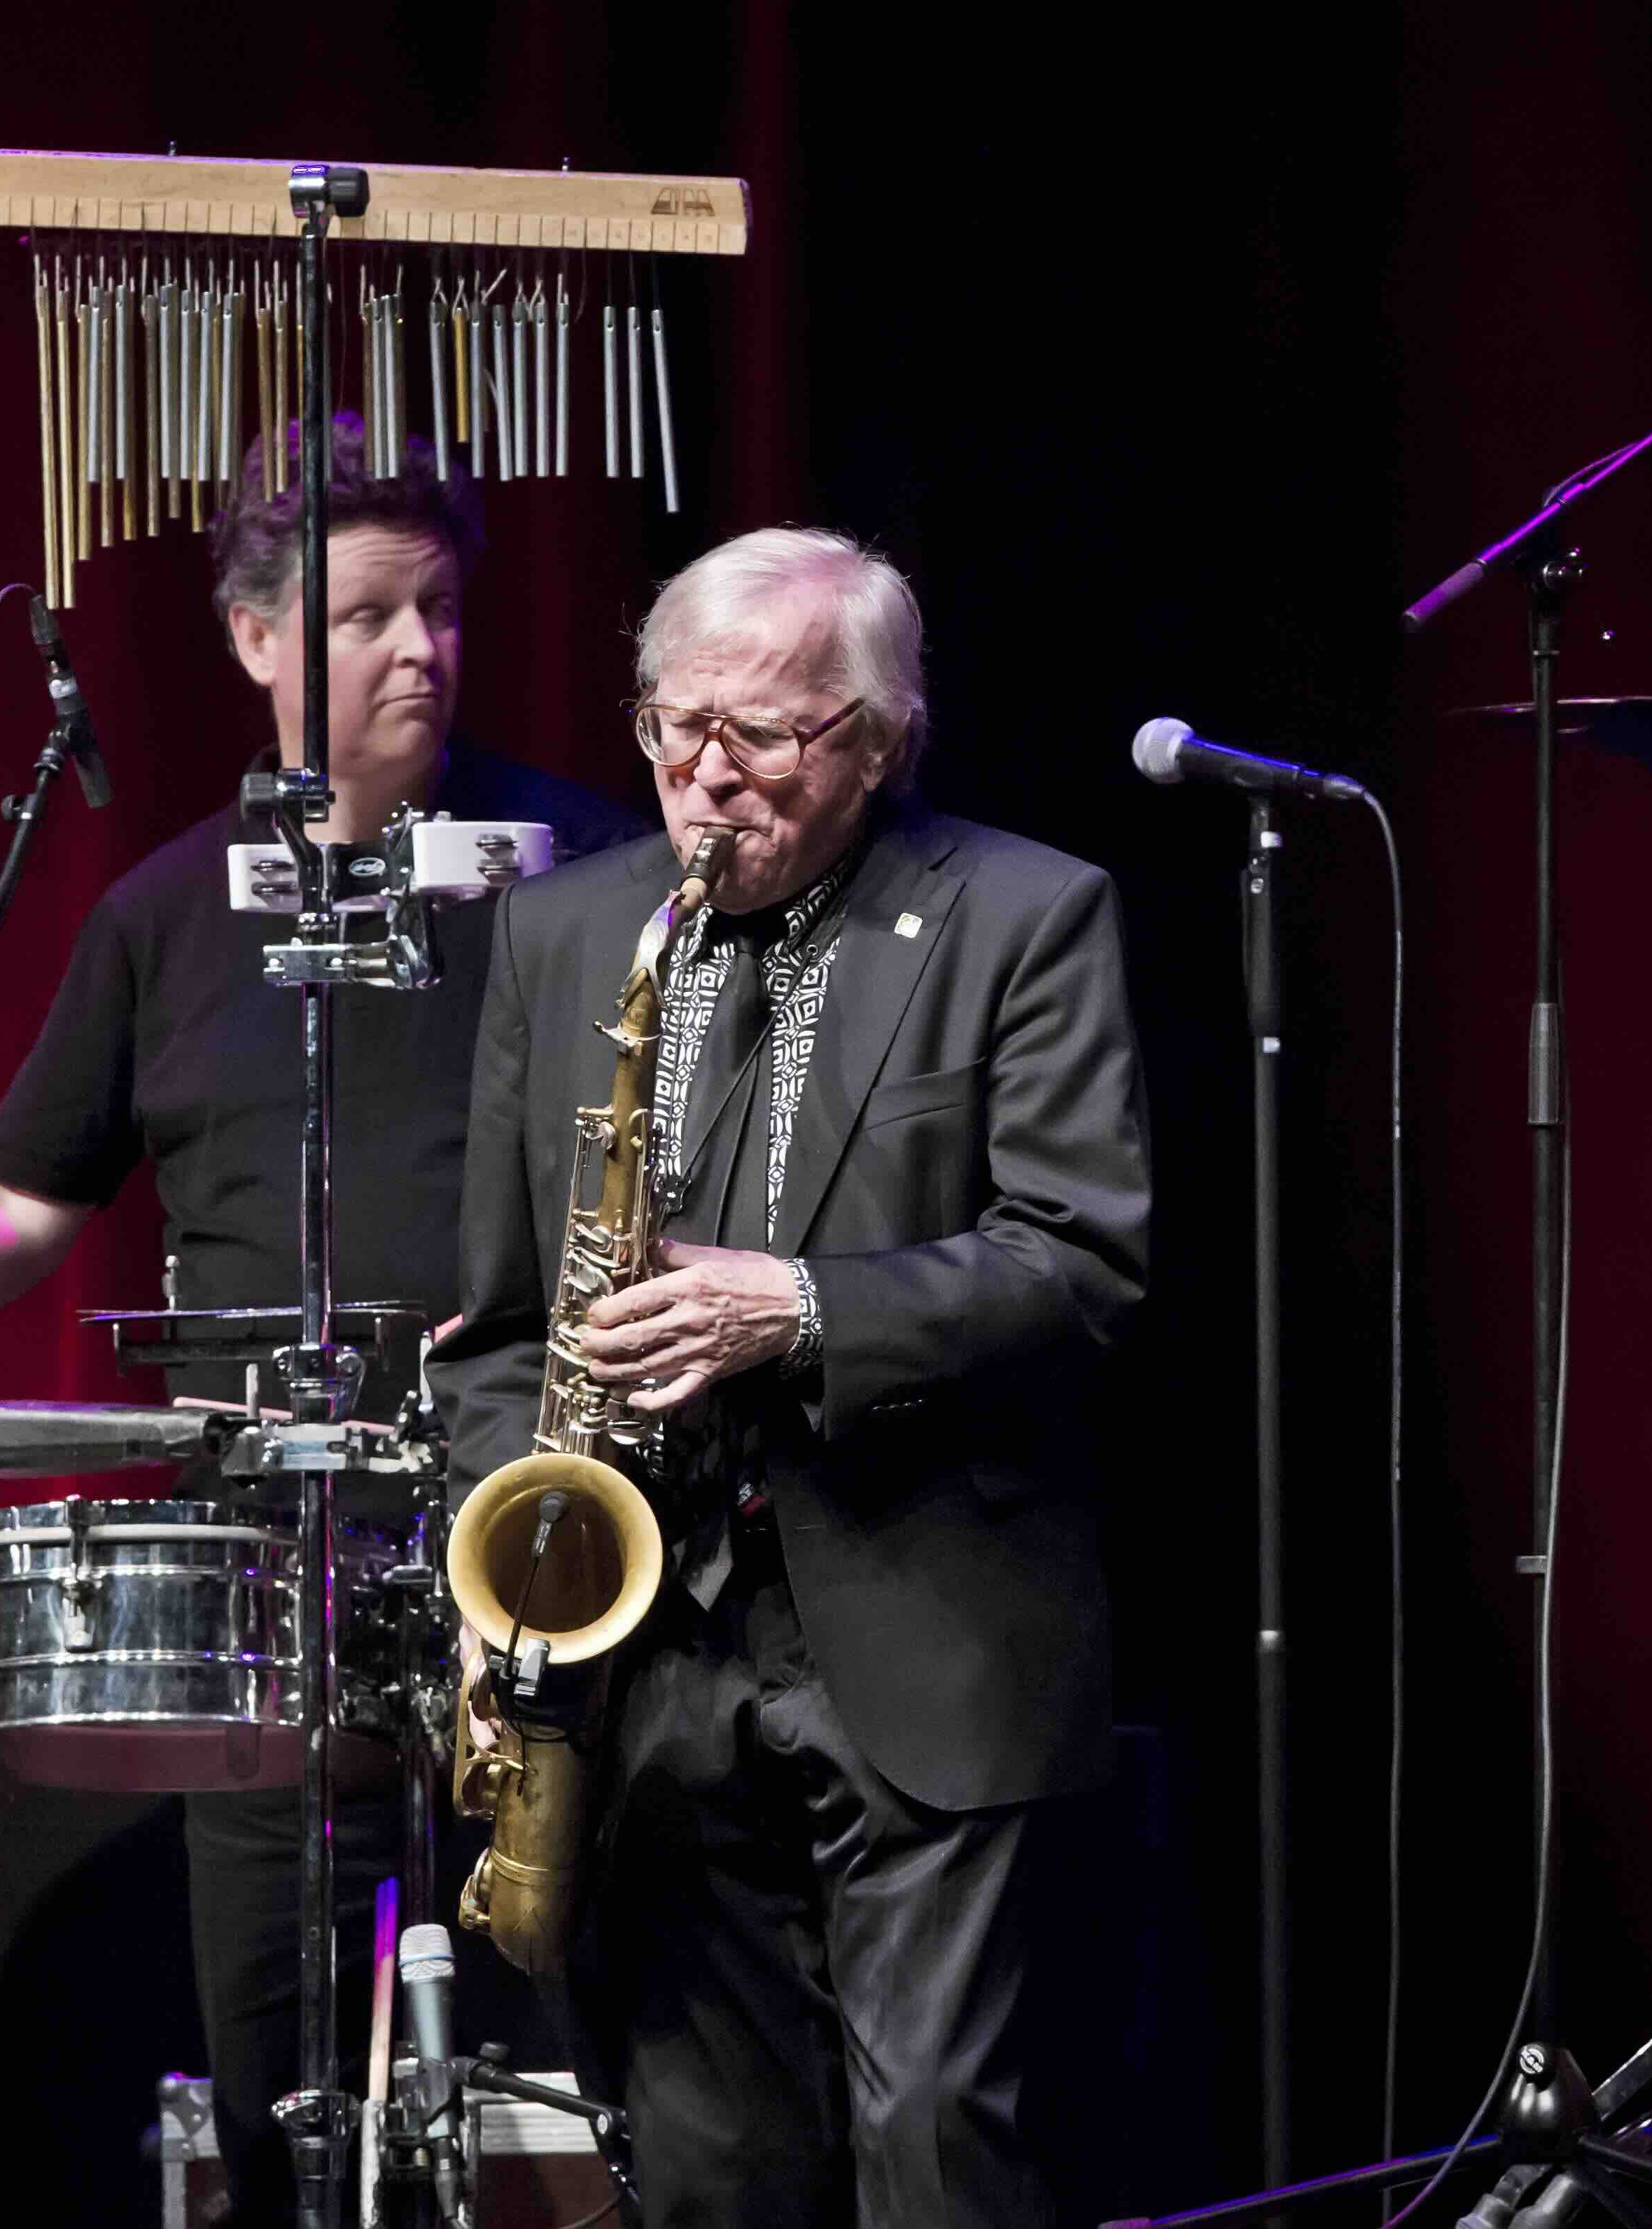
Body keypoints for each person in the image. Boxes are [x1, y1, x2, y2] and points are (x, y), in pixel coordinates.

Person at [0, 416, 647, 2222]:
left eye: (442, 609)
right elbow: (21, 1213)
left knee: (573, 2060)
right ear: (253, 635)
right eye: (367, 615)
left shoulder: (579, 869)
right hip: (276, 1570)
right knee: (278, 2076)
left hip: (535, 1528)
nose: (420, 650)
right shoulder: (164, 915)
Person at [434, 529, 1152, 2224]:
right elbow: (504, 1321)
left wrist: (805, 1307)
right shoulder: (564, 929)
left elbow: (1084, 1259)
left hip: (925, 1621)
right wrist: (510, 1561)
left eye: (759, 736)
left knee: (939, 2152)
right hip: (646, 1648)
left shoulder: (1026, 914)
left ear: (881, 739)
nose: (704, 775)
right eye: (673, 725)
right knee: (711, 2170)